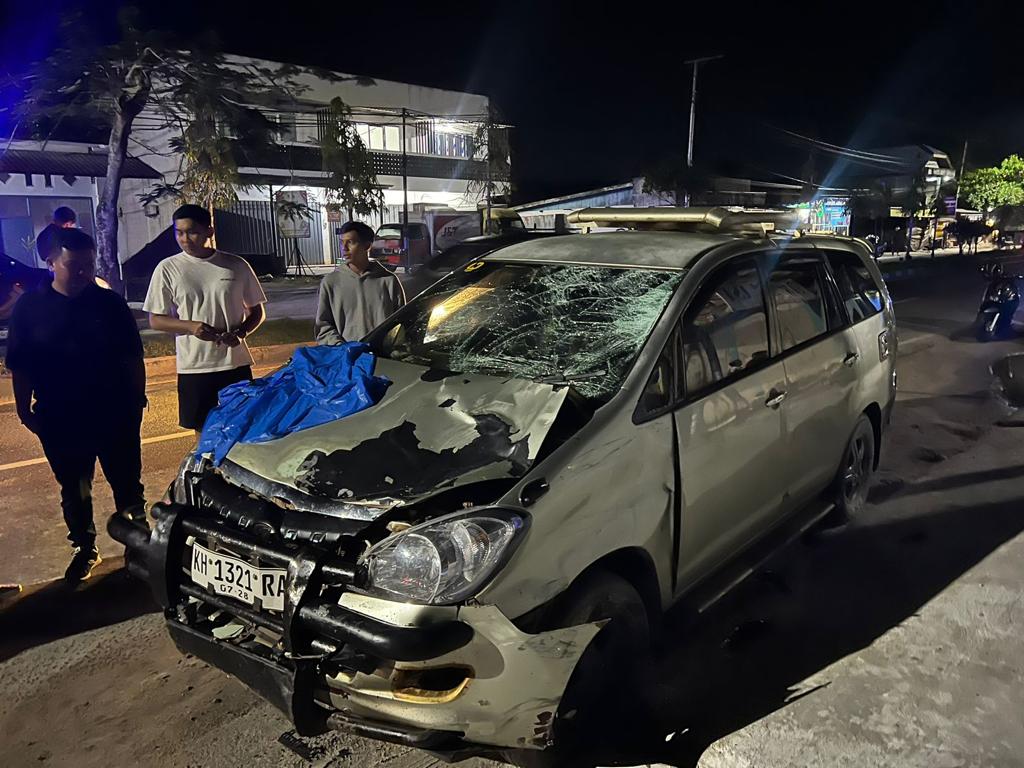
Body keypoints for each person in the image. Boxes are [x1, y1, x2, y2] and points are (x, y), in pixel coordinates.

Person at [6, 229, 147, 583]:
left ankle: (138, 544)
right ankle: (85, 548)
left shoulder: (109, 303)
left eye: (89, 264)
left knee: (127, 482)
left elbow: (133, 356)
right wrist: (24, 410)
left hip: (114, 410)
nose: (84, 272)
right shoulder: (30, 308)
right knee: (74, 487)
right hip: (61, 414)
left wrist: (135, 399)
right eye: (74, 265)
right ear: (50, 261)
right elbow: (20, 364)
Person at [144, 204, 267, 432]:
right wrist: (191, 327)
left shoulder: (236, 265)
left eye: (192, 232)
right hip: (195, 367)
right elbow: (156, 319)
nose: (185, 239)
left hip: (234, 364)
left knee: (243, 428)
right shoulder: (168, 268)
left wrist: (240, 333)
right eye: (179, 232)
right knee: (203, 433)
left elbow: (256, 312)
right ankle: (206, 469)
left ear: (209, 232)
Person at [315, 221, 405, 345]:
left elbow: (401, 323)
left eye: (350, 242)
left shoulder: (388, 281)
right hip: (347, 359)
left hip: (382, 358)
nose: (344, 248)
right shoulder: (330, 283)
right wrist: (341, 347)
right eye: (342, 242)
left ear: (367, 246)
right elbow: (323, 327)